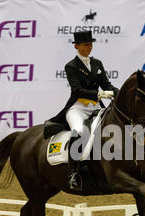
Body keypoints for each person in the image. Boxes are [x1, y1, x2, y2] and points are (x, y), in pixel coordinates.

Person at [49, 30, 119, 191]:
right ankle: (73, 173)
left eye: (91, 44)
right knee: (79, 131)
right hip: (78, 108)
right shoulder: (71, 66)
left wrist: (118, 93)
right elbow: (77, 90)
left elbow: (107, 85)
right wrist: (99, 94)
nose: (89, 47)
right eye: (86, 44)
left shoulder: (97, 64)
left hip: (95, 107)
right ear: (76, 46)